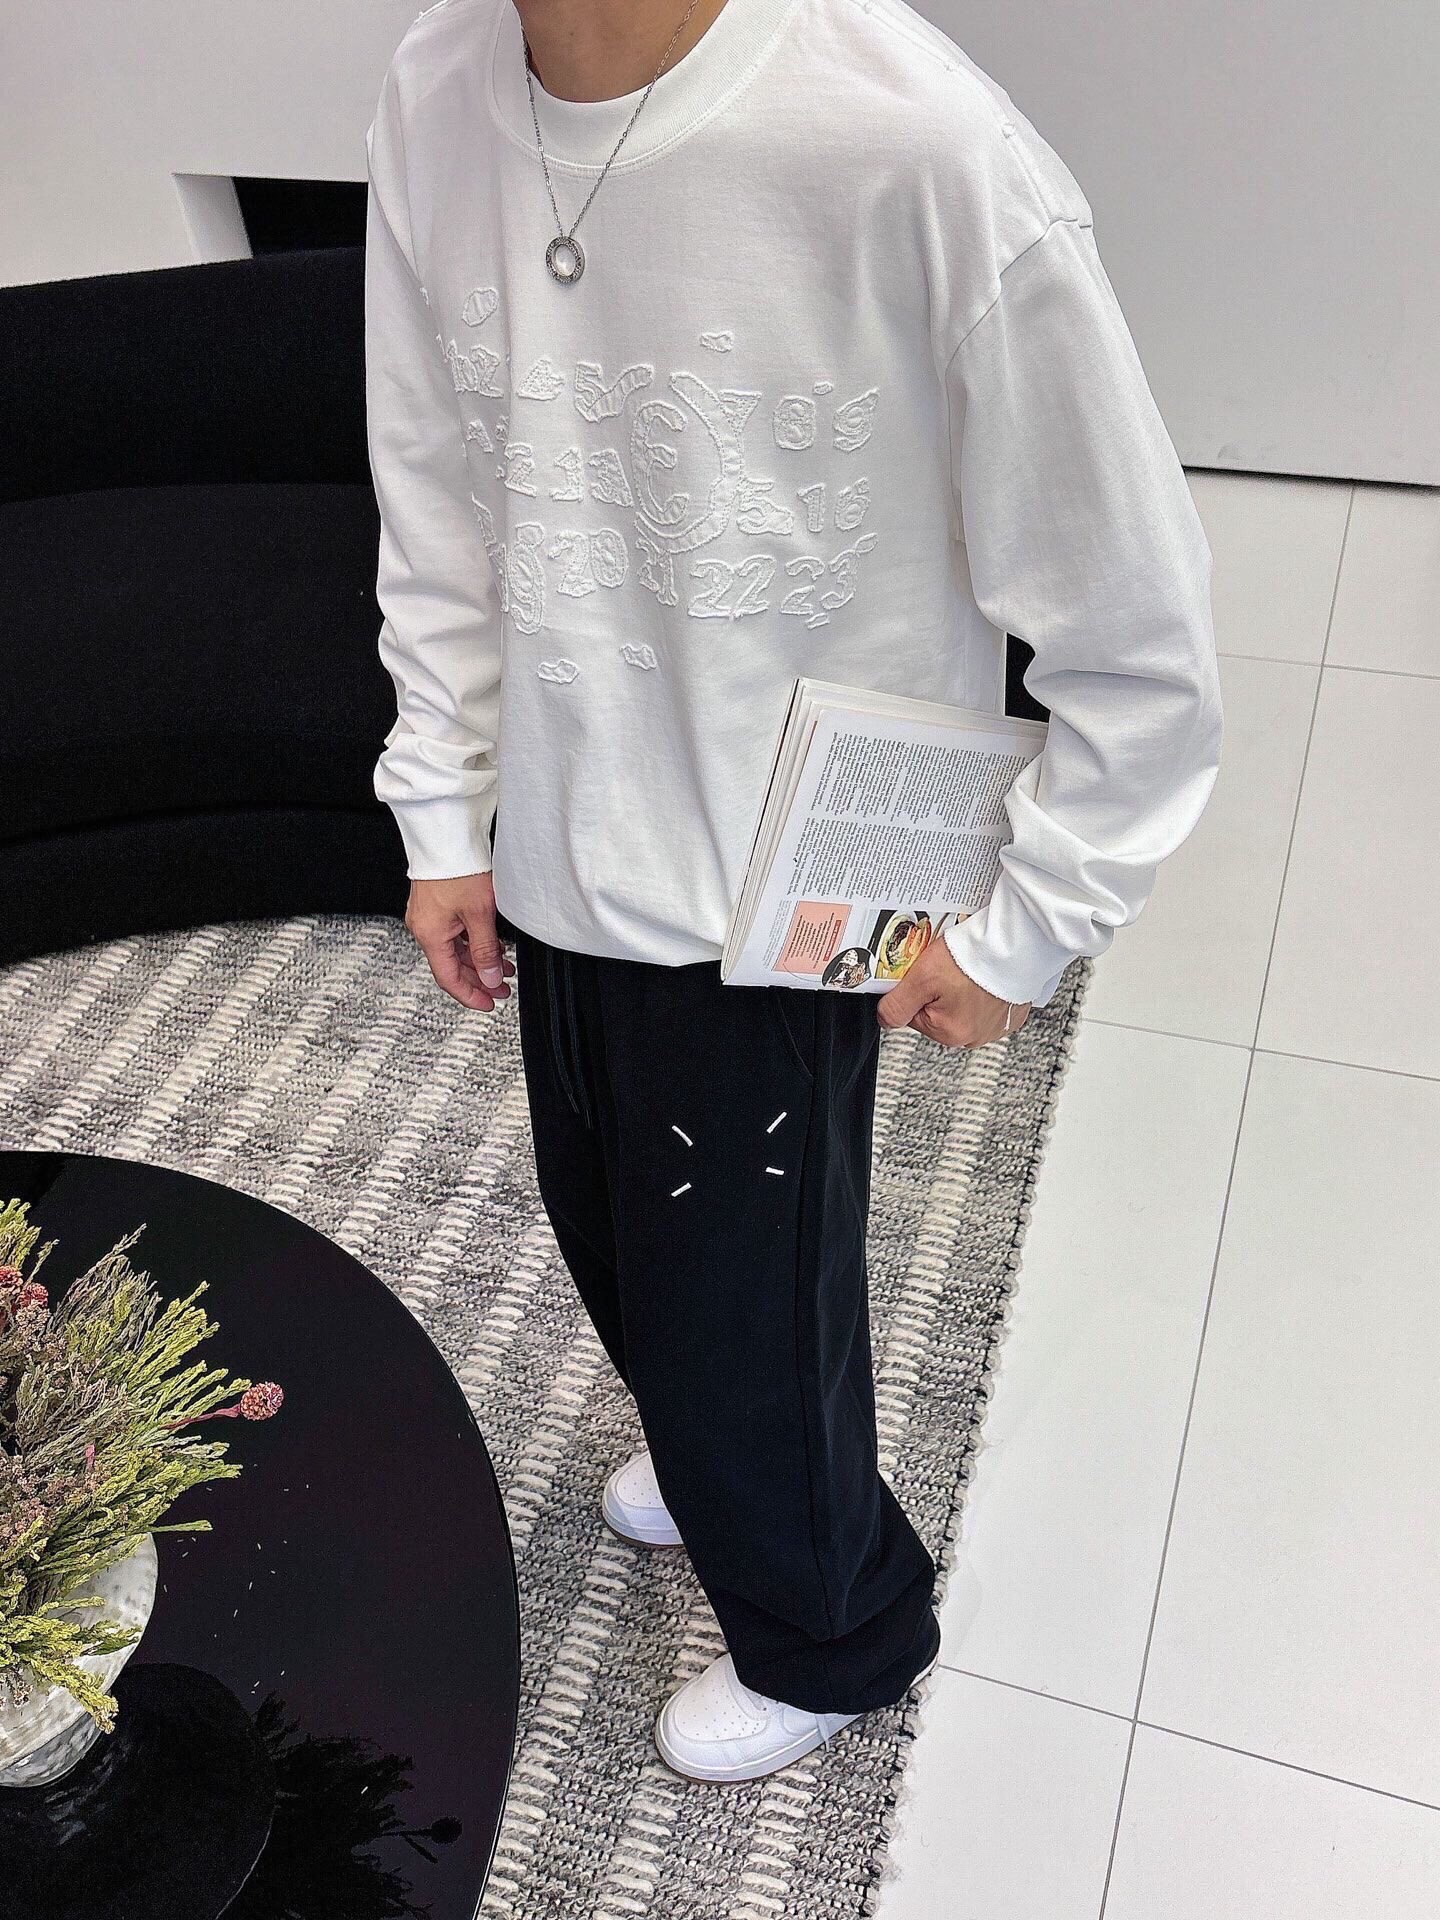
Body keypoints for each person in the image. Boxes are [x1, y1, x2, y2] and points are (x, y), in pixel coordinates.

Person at [362, 0, 1222, 1784]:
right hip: (570, 841)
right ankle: (708, 1448)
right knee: (610, 1224)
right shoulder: (439, 86)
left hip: (791, 893)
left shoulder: (918, 145)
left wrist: (1034, 918)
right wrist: (444, 804)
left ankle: (838, 1634)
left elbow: (1135, 620)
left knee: (753, 1308)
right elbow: (435, 485)